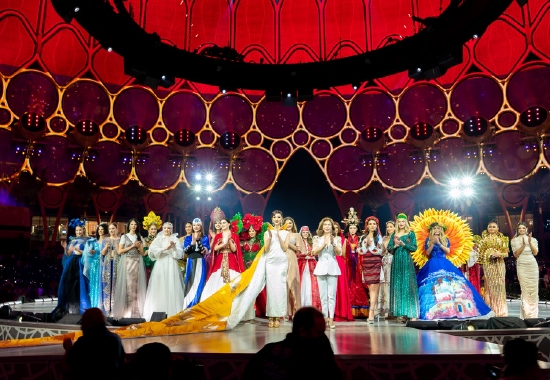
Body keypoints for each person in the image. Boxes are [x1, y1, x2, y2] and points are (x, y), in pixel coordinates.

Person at [241, 307, 343, 380]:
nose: (322, 337)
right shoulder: (313, 358)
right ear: (302, 331)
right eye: (319, 333)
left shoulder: (268, 350)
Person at [416, 222, 492, 320]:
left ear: (441, 230)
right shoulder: (428, 240)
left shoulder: (445, 239)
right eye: (434, 228)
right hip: (432, 263)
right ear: (432, 230)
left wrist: (439, 243)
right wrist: (432, 244)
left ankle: (455, 308)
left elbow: (447, 251)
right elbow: (427, 252)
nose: (436, 230)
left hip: (444, 262)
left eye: (438, 228)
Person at [64, 308, 125, 380]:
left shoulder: (84, 342)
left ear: (89, 323)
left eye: (83, 322)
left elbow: (66, 368)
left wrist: (68, 349)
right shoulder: (115, 339)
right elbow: (122, 363)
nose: (81, 326)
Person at [143, 222, 185, 320]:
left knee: (171, 284)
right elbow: (152, 250)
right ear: (162, 228)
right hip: (161, 264)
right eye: (165, 228)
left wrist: (173, 247)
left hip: (171, 264)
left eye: (168, 228)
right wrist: (164, 249)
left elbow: (179, 254)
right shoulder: (158, 239)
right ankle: (158, 311)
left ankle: (172, 312)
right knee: (160, 285)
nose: (166, 230)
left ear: (171, 229)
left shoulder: (175, 239)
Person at [200, 218, 244, 302]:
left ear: (229, 224)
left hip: (231, 259)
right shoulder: (218, 236)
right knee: (217, 279)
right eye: (221, 223)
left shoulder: (234, 236)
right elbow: (215, 248)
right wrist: (224, 243)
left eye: (224, 223)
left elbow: (235, 250)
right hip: (220, 259)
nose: (222, 224)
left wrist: (230, 240)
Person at [53, 218, 89, 319]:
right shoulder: (72, 240)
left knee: (80, 284)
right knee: (70, 284)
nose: (78, 232)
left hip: (80, 263)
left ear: (83, 230)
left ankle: (82, 306)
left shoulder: (87, 240)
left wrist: (80, 251)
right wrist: (65, 247)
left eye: (80, 230)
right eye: (77, 230)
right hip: (71, 263)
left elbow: (89, 254)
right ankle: (72, 307)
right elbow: (68, 254)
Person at [387, 213, 418, 322]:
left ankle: (412, 314)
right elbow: (389, 248)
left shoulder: (410, 234)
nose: (401, 223)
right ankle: (403, 314)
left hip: (406, 261)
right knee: (398, 285)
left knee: (408, 286)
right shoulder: (394, 234)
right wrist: (395, 245)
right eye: (399, 221)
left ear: (406, 222)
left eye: (403, 221)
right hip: (396, 262)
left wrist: (403, 244)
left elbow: (414, 247)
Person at [474, 221, 509, 317]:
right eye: (490, 227)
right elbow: (480, 255)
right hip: (488, 265)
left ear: (498, 229)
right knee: (491, 288)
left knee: (500, 287)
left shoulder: (503, 239)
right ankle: (494, 311)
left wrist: (499, 254)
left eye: (494, 227)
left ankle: (502, 312)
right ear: (487, 228)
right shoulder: (483, 240)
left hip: (500, 264)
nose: (492, 228)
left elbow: (506, 253)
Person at [113, 218, 147, 319]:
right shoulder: (124, 236)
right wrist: (133, 246)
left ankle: (135, 311)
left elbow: (142, 253)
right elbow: (119, 251)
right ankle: (126, 310)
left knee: (136, 286)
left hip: (137, 262)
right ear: (129, 226)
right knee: (128, 285)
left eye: (135, 225)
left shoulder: (139, 237)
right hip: (127, 262)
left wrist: (148, 251)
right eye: (132, 224)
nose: (133, 226)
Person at [312, 217, 342, 329]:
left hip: (333, 268)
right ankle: (324, 319)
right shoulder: (317, 238)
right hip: (321, 268)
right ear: (322, 226)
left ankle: (331, 319)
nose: (327, 226)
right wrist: (323, 245)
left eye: (329, 224)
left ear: (332, 227)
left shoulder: (337, 238)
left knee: (332, 296)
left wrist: (333, 244)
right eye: (325, 225)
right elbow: (314, 252)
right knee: (323, 296)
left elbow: (339, 253)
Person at [263, 210, 290, 327]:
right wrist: (269, 238)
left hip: (281, 262)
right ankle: (271, 316)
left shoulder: (286, 233)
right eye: (274, 217)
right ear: (272, 219)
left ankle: (278, 316)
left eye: (279, 217)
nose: (277, 219)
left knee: (280, 289)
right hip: (270, 262)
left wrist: (279, 236)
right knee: (271, 289)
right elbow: (266, 249)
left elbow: (284, 248)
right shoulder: (267, 232)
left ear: (282, 219)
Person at [239, 213, 266, 320]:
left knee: (256, 288)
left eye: (253, 231)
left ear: (256, 231)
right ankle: (247, 311)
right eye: (250, 231)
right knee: (246, 289)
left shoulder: (260, 242)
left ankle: (258, 309)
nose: (251, 232)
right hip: (245, 267)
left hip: (256, 267)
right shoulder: (243, 242)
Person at [343, 208, 368, 318]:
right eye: (351, 228)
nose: (352, 229)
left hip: (358, 265)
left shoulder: (361, 238)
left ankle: (361, 310)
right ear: (348, 229)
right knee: (349, 285)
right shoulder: (344, 238)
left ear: (357, 228)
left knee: (359, 285)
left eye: (354, 227)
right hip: (348, 264)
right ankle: (349, 310)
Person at [358, 216, 383, 324]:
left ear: (377, 225)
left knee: (375, 287)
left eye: (374, 224)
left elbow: (381, 251)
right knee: (370, 288)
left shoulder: (379, 237)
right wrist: (366, 245)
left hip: (376, 262)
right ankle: (373, 309)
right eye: (370, 224)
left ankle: (371, 312)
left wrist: (371, 247)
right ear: (367, 225)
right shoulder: (363, 237)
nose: (372, 225)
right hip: (366, 263)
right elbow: (360, 251)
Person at [511, 222, 539, 318]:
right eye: (520, 228)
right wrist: (523, 245)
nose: (522, 230)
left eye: (523, 228)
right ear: (518, 230)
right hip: (522, 264)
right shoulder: (514, 240)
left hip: (532, 264)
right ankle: (526, 314)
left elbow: (535, 253)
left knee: (534, 289)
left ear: (527, 229)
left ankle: (533, 315)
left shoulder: (533, 239)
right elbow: (515, 255)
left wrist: (530, 242)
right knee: (525, 290)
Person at [182, 218, 210, 308]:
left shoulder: (205, 238)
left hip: (200, 262)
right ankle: (188, 306)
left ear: (201, 226)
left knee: (200, 282)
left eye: (198, 225)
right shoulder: (188, 238)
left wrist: (198, 241)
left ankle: (198, 305)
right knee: (189, 282)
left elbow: (204, 251)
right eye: (194, 225)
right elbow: (186, 251)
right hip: (190, 261)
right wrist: (192, 243)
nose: (196, 227)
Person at [83, 222, 108, 311]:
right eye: (99, 230)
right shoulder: (93, 242)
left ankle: (104, 307)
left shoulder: (107, 241)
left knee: (104, 284)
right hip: (95, 265)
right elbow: (88, 255)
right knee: (95, 286)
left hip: (105, 265)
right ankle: (95, 306)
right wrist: (91, 252)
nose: (101, 231)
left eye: (102, 229)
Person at [297, 226, 321, 310]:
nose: (305, 234)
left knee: (311, 284)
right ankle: (301, 305)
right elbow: (297, 253)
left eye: (307, 232)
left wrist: (311, 256)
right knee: (303, 283)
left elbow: (316, 253)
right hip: (302, 265)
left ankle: (311, 304)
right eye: (303, 232)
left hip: (311, 265)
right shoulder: (299, 242)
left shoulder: (311, 242)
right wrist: (304, 255)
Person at [333, 221, 353, 322]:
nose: (335, 230)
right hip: (330, 261)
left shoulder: (343, 239)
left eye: (337, 228)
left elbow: (344, 254)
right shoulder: (326, 239)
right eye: (334, 228)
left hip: (340, 262)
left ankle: (341, 312)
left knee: (340, 286)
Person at [284, 216, 302, 318]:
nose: (288, 225)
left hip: (292, 258)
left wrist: (289, 244)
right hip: (282, 259)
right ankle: (285, 312)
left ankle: (295, 310)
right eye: (286, 223)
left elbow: (299, 250)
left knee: (292, 284)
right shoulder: (281, 234)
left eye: (290, 223)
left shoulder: (296, 235)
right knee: (284, 285)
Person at [102, 223, 119, 317]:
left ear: (117, 229)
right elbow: (102, 253)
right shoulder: (106, 240)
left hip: (117, 264)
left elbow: (121, 253)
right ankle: (107, 309)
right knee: (107, 286)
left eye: (113, 228)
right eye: (110, 229)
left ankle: (116, 308)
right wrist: (106, 247)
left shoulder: (120, 240)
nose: (111, 230)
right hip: (108, 265)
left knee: (116, 286)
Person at [378, 220, 395, 318]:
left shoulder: (396, 238)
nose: (389, 228)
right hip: (384, 261)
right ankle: (384, 310)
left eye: (391, 226)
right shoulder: (384, 238)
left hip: (393, 261)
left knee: (390, 284)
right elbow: (381, 252)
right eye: (387, 227)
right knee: (384, 284)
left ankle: (391, 310)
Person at [142, 211, 162, 283]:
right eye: (152, 229)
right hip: (148, 262)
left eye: (155, 229)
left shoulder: (160, 239)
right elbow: (144, 253)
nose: (153, 231)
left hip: (158, 261)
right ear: (148, 230)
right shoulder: (145, 240)